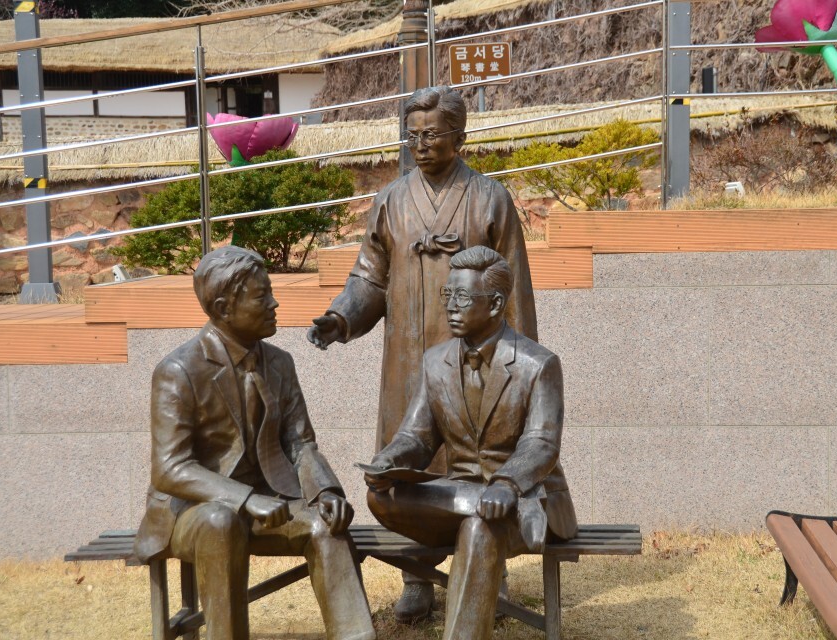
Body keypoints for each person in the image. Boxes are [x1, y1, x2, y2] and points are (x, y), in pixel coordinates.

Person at [308, 85, 538, 620]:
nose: (421, 144)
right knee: (408, 461)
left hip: (478, 360)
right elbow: (369, 277)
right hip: (407, 360)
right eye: (412, 135)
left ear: (460, 136)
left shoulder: (490, 198)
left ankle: (488, 569)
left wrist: (519, 366)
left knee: (480, 458)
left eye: (432, 134)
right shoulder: (391, 200)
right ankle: (416, 575)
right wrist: (341, 317)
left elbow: (515, 292)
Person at [134, 246, 375, 640]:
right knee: (221, 522)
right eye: (262, 296)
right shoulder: (178, 371)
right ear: (224, 308)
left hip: (269, 501)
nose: (274, 304)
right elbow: (169, 469)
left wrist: (326, 491)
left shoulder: (280, 363)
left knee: (326, 526)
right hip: (193, 511)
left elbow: (301, 443)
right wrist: (245, 499)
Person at [364, 246, 577, 640]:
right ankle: (473, 503)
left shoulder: (538, 364)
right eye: (448, 294)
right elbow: (417, 436)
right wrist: (389, 460)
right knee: (381, 496)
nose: (450, 306)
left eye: (462, 297)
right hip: (462, 493)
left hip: (525, 497)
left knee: (479, 527)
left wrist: (507, 483)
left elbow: (542, 443)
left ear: (495, 304)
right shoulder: (435, 362)